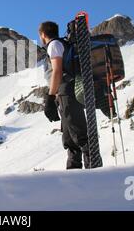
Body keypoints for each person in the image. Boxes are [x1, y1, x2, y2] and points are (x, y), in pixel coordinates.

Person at [39, 21, 90, 169]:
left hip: (67, 91)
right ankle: (74, 174)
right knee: (69, 138)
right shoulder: (61, 44)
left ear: (43, 34)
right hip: (65, 93)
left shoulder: (54, 45)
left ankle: (94, 172)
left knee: (79, 134)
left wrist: (50, 97)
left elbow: (57, 71)